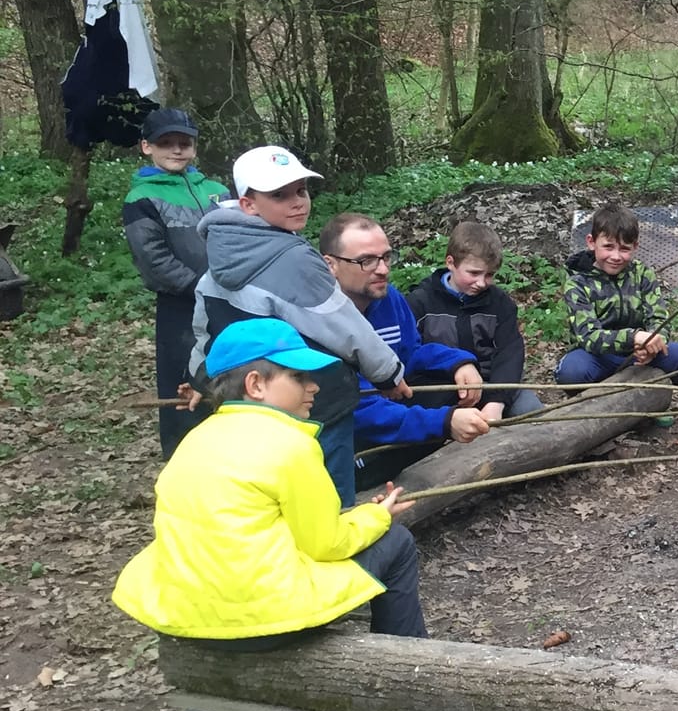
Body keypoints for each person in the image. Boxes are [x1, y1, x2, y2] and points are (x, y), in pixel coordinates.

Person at [112, 318, 427, 648]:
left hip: (182, 618)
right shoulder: (292, 445)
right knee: (397, 541)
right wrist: (377, 516)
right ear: (255, 385)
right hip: (261, 624)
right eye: (298, 377)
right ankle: (408, 657)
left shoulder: (193, 439)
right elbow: (326, 544)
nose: (314, 387)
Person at [191, 146, 408, 504]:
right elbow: (343, 324)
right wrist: (388, 374)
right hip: (313, 401)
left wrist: (201, 376)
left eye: (301, 190)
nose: (297, 202)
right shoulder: (293, 259)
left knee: (270, 496)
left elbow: (206, 325)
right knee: (327, 496)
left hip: (248, 399)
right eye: (280, 195)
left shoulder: (222, 250)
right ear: (248, 204)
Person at [320, 213, 491, 479]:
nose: (383, 269)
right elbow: (357, 408)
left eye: (386, 257)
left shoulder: (389, 299)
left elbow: (409, 356)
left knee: (449, 389)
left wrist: (458, 362)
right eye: (366, 261)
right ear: (330, 264)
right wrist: (444, 422)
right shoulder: (318, 320)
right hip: (347, 431)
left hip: (388, 406)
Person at [122, 107, 230, 457]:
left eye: (184, 143)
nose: (177, 150)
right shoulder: (142, 198)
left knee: (229, 369)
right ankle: (183, 456)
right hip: (181, 306)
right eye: (166, 143)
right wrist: (198, 287)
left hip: (228, 298)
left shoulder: (217, 191)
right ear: (146, 147)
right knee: (184, 380)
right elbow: (152, 259)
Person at [408, 220, 543, 423]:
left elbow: (509, 354)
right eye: (474, 273)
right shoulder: (420, 302)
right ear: (451, 263)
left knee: (531, 411)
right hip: (438, 389)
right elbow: (410, 355)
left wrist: (497, 402)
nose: (481, 283)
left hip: (491, 386)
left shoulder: (500, 304)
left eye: (489, 275)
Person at [558, 204, 678, 385]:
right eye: (608, 247)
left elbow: (659, 319)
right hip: (598, 357)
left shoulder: (643, 274)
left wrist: (651, 345)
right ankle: (598, 394)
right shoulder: (578, 282)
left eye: (624, 249)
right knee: (571, 372)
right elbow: (588, 336)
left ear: (635, 247)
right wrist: (633, 337)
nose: (616, 256)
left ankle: (651, 387)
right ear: (591, 242)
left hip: (638, 354)